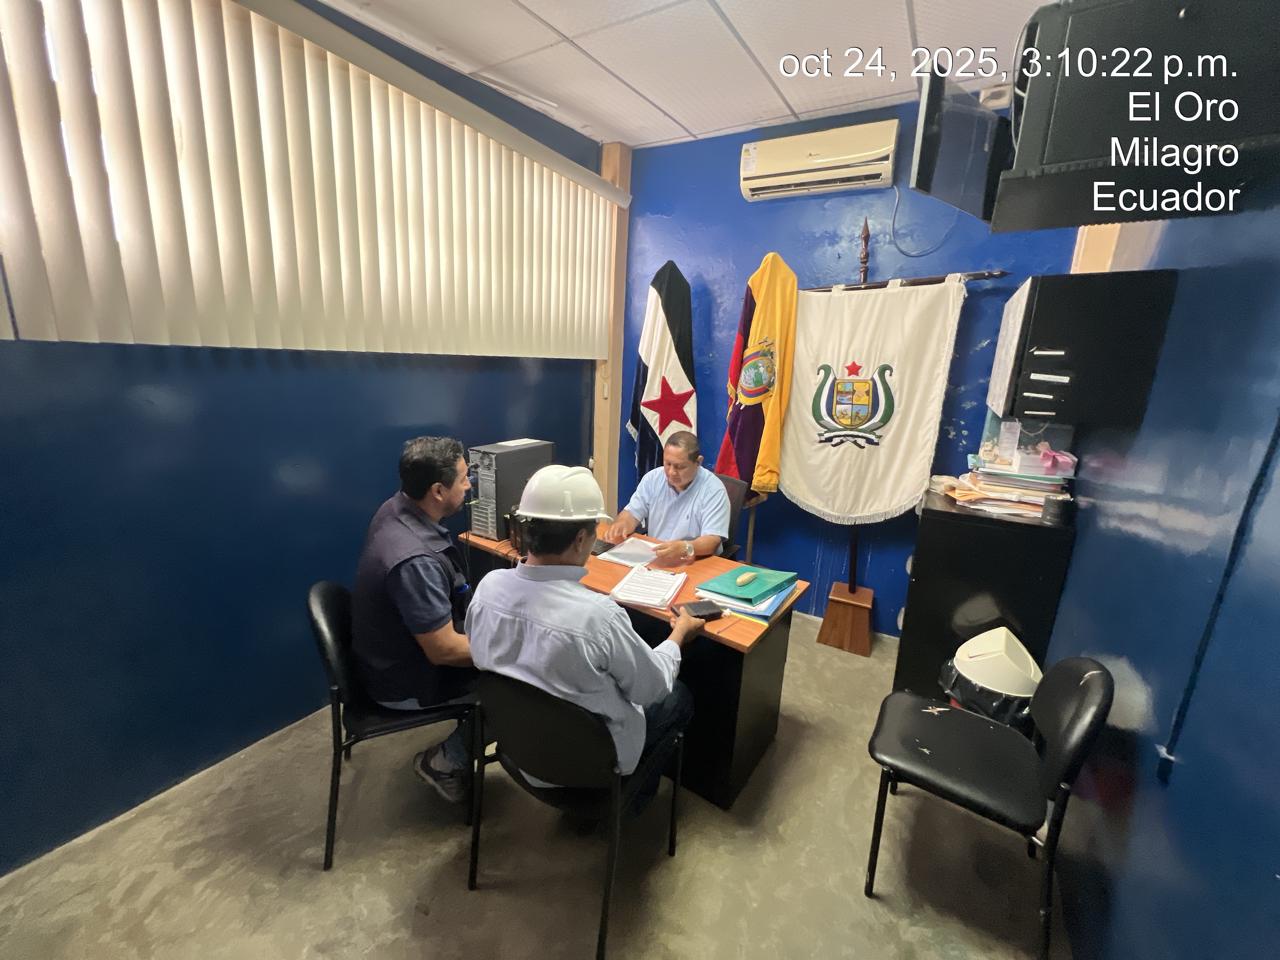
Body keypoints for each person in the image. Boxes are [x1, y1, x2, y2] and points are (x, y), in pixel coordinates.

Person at [466, 465, 701, 802]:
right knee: (678, 696)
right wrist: (678, 636)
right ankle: (628, 802)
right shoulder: (597, 617)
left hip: (521, 754)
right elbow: (651, 689)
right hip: (594, 770)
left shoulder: (488, 588)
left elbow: (481, 658)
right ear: (580, 539)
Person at [351, 436, 475, 803]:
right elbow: (444, 650)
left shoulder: (395, 508)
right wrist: (515, 650)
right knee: (520, 685)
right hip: (407, 682)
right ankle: (443, 761)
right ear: (437, 491)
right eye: (463, 479)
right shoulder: (414, 561)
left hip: (389, 656)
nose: (469, 486)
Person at [606, 430, 730, 562]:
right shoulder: (653, 479)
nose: (671, 472)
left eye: (680, 467)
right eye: (667, 464)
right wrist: (622, 524)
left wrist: (686, 547)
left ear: (698, 462)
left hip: (695, 561)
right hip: (656, 556)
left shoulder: (714, 490)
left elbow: (712, 540)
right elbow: (631, 513)